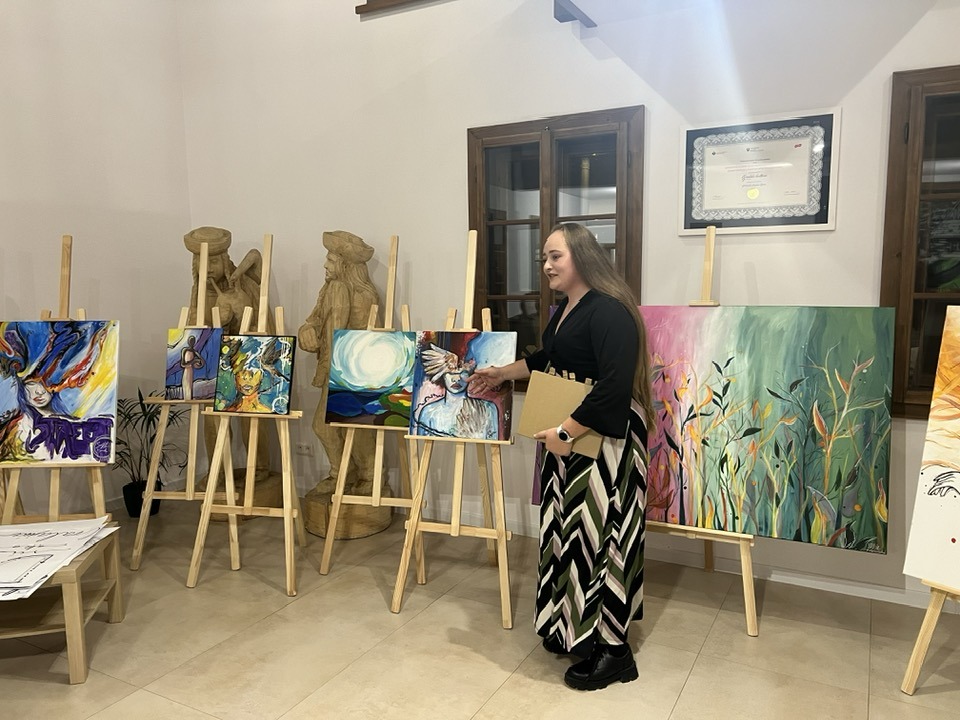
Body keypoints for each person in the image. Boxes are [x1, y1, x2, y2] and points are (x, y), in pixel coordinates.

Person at [469, 222, 653, 691]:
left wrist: (567, 431)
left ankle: (614, 651)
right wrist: (501, 374)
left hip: (604, 442)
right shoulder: (568, 308)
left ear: (583, 257)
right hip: (569, 439)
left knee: (604, 538)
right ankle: (575, 627)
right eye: (544, 258)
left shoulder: (610, 311)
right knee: (569, 536)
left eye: (556, 256)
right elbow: (546, 359)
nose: (547, 265)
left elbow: (613, 386)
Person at [298, 230, 380, 493]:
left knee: (357, 425)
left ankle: (368, 475)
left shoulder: (364, 297)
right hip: (331, 367)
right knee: (325, 426)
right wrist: (306, 331)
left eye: (331, 260)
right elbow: (314, 320)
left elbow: (371, 338)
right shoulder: (330, 290)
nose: (325, 265)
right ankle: (343, 472)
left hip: (354, 371)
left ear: (345, 265)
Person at [412, 343, 499, 439]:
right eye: (450, 373)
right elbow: (421, 442)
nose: (457, 379)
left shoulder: (488, 409)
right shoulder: (429, 412)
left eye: (463, 373)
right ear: (441, 374)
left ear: (472, 374)